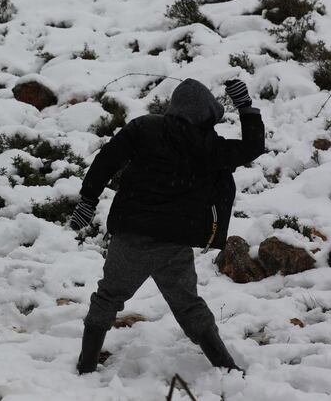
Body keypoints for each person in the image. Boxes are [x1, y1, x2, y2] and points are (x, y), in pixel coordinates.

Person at [69, 78, 265, 373]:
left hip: (132, 235)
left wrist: (88, 200)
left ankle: (85, 366)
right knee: (189, 306)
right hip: (174, 243)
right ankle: (226, 368)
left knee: (108, 297)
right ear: (206, 114)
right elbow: (252, 148)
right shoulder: (208, 146)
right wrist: (245, 107)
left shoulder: (144, 128)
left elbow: (107, 160)